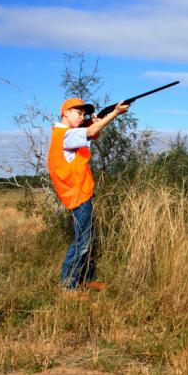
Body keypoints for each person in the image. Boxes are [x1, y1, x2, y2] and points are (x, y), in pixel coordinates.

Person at [47, 97, 129, 294]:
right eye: (78, 112)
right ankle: (69, 287)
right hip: (77, 196)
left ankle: (87, 279)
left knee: (88, 239)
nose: (81, 116)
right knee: (82, 241)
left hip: (81, 192)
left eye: (84, 114)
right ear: (65, 112)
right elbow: (91, 132)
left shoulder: (68, 134)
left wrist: (97, 121)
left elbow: (92, 134)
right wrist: (115, 113)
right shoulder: (65, 135)